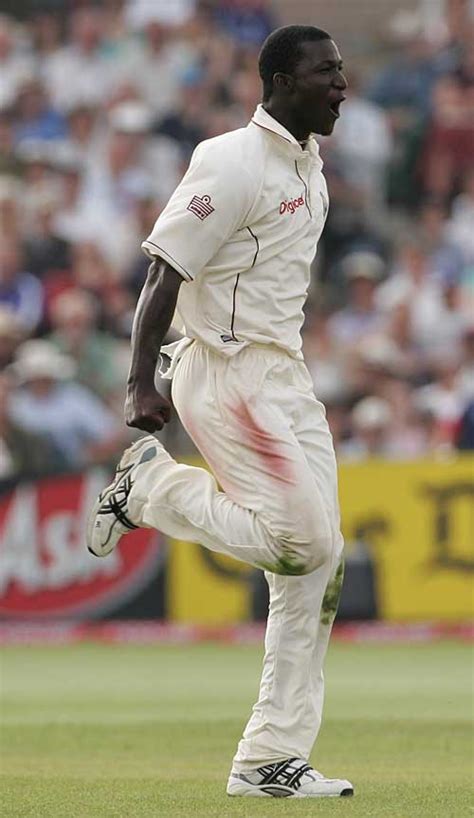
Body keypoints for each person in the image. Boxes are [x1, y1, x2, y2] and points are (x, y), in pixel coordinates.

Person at [87, 25, 353, 799]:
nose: (340, 85)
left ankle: (270, 757)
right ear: (276, 81)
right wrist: (142, 385)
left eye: (341, 71)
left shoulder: (312, 165)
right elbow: (162, 276)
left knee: (321, 564)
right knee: (302, 544)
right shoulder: (230, 161)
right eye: (324, 73)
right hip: (225, 371)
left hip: (285, 378)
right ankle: (151, 490)